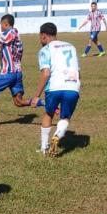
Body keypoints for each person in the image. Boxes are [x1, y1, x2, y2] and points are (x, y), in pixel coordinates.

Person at [0, 14, 38, 130]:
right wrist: (0, 51)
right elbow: (11, 48)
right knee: (18, 102)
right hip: (18, 73)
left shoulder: (8, 32)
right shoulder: (16, 34)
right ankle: (45, 104)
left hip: (8, 73)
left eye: (1, 25)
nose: (0, 28)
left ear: (5, 24)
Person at [30, 22, 80, 157]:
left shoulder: (45, 50)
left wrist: (36, 96)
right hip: (72, 87)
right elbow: (77, 70)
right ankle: (58, 134)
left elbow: (46, 73)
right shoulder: (71, 46)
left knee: (48, 114)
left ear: (43, 36)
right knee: (65, 117)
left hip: (54, 87)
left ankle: (44, 148)